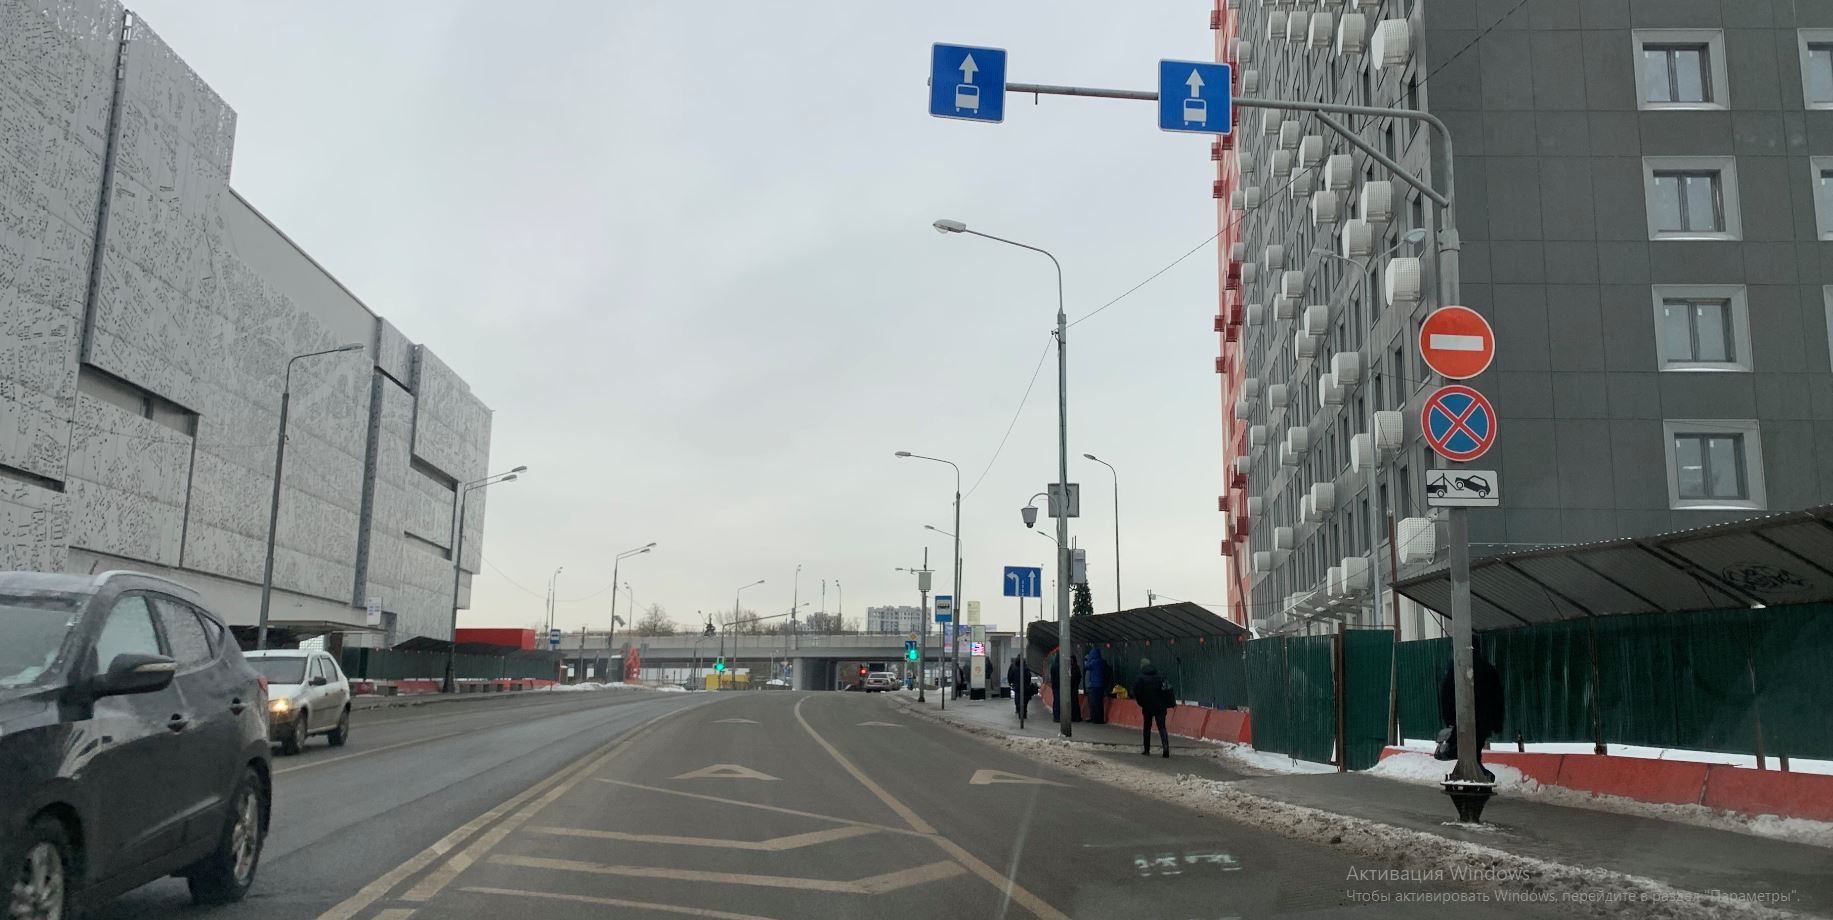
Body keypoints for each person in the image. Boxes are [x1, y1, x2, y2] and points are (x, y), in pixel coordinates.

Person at [1438, 639, 1505, 782]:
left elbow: (1446, 695)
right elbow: (1497, 698)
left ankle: (1481, 776)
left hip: (1463, 721)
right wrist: (1497, 722)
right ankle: (1478, 776)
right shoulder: (1488, 669)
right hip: (1483, 722)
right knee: (1474, 751)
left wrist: (1450, 718)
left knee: (1465, 751)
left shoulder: (1456, 669)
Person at [1131, 657, 1173, 758]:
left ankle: (1147, 750)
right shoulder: (1159, 676)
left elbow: (1136, 692)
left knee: (1147, 727)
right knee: (1162, 727)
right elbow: (1166, 689)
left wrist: (1141, 703)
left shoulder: (1140, 677)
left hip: (1147, 706)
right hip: (1161, 706)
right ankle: (1166, 748)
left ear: (1142, 666)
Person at [1083, 646, 1107, 724]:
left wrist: (1087, 660)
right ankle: (1100, 718)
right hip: (1101, 685)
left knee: (1095, 703)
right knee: (1100, 703)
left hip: (1094, 685)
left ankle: (1096, 719)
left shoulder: (1094, 662)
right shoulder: (1102, 662)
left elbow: (1086, 666)